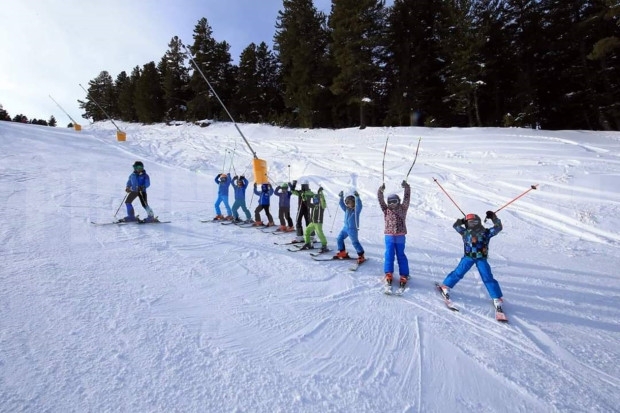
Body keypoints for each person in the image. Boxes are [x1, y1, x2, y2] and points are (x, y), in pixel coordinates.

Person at [439, 211, 505, 311]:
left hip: (481, 259)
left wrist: (494, 217)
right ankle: (446, 286)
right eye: (469, 222)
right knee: (459, 272)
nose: (472, 224)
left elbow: (498, 227)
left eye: (474, 222)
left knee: (487, 277)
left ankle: (496, 298)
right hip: (468, 258)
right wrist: (461, 220)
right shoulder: (465, 232)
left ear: (478, 222)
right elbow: (455, 225)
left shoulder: (485, 233)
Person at [378, 180, 411, 290]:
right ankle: (388, 273)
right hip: (389, 236)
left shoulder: (403, 208)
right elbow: (380, 200)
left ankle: (404, 274)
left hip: (400, 236)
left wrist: (406, 187)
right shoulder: (386, 210)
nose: (392, 204)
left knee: (401, 255)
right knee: (389, 254)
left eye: (394, 201)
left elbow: (407, 198)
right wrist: (380, 191)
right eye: (390, 202)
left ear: (398, 201)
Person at [334, 191, 366, 264]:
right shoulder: (346, 209)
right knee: (339, 238)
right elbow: (341, 204)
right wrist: (341, 197)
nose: (349, 204)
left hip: (352, 229)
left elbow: (360, 205)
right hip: (345, 228)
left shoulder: (356, 211)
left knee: (355, 242)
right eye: (347, 202)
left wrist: (357, 197)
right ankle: (342, 252)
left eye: (351, 202)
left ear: (354, 202)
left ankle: (361, 255)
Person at [299, 187, 328, 253]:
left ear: (319, 200)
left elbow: (323, 201)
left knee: (320, 233)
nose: (315, 201)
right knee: (307, 231)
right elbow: (307, 204)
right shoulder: (313, 206)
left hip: (318, 222)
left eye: (316, 200)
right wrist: (303, 197)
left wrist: (320, 193)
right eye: (314, 200)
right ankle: (308, 243)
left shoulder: (321, 206)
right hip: (313, 222)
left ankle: (324, 245)